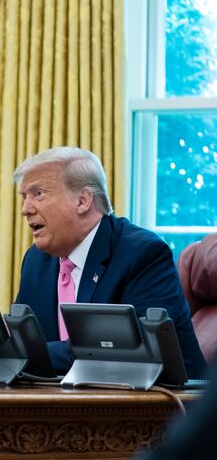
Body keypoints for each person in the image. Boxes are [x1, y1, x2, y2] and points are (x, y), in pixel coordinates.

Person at [13, 147, 206, 377]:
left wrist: (27, 356)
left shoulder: (143, 253)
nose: (26, 209)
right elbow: (23, 340)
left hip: (164, 405)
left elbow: (127, 350)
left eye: (39, 194)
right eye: (25, 197)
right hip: (67, 402)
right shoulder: (36, 260)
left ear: (83, 201)